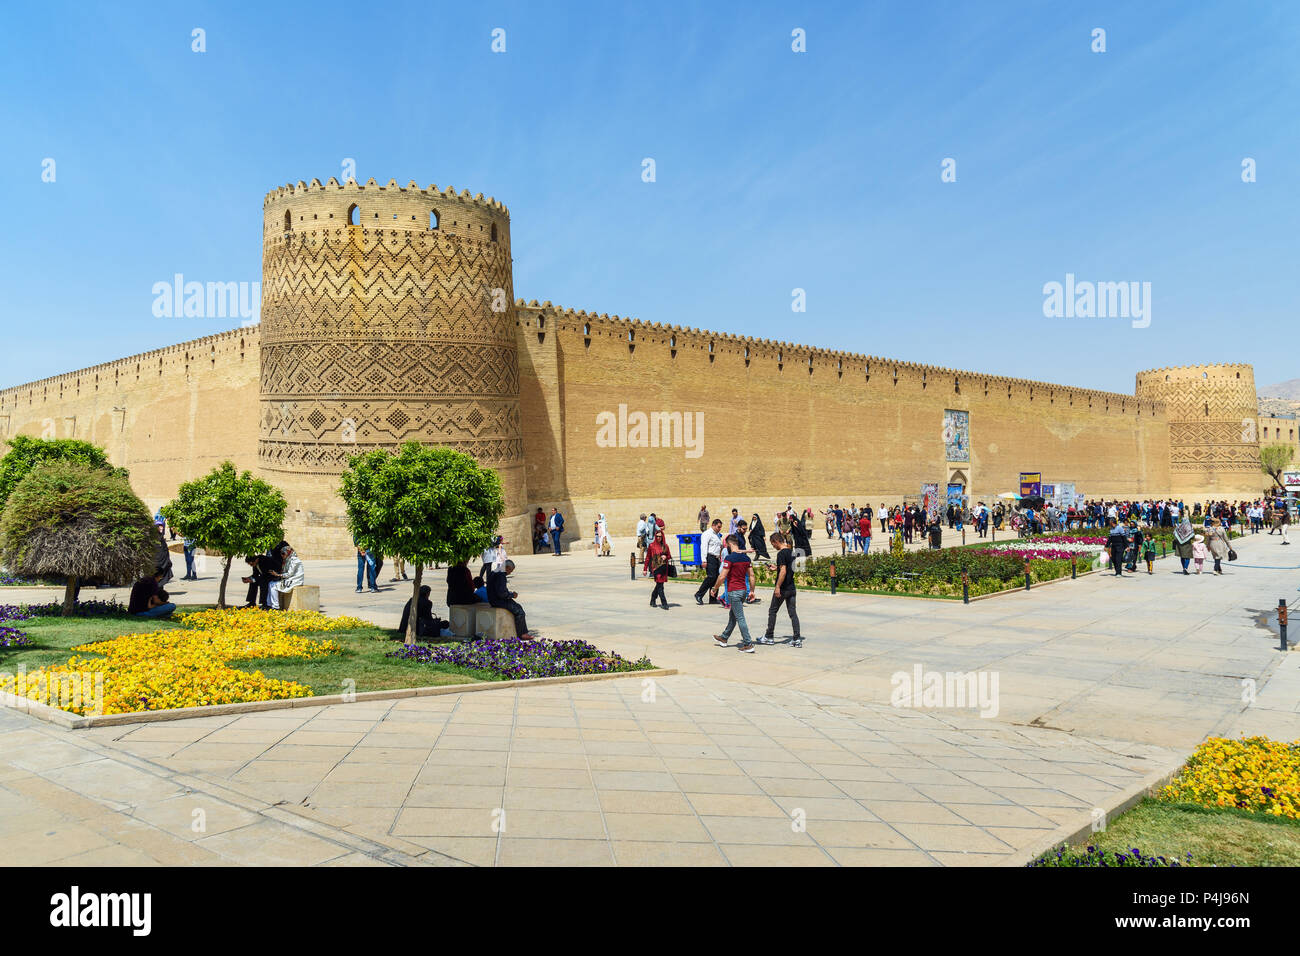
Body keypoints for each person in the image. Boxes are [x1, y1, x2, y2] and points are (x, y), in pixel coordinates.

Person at [711, 535, 755, 653]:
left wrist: (715, 589)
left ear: (728, 544)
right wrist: (751, 591)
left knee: (740, 617)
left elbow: (722, 576)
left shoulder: (730, 558)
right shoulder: (746, 559)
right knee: (733, 616)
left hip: (734, 591)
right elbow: (751, 575)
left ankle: (748, 643)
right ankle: (724, 638)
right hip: (743, 591)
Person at [763, 532, 801, 647]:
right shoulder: (792, 552)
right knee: (793, 613)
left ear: (776, 541)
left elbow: (784, 571)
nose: (773, 546)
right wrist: (776, 569)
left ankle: (769, 637)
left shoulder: (781, 554)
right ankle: (796, 639)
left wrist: (777, 587)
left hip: (783, 588)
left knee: (772, 611)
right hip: (792, 588)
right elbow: (787, 569)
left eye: (772, 544)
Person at [487, 559, 530, 639]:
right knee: (519, 611)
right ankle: (522, 634)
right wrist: (511, 595)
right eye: (510, 570)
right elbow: (502, 593)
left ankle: (522, 632)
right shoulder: (501, 575)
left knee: (517, 607)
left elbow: (499, 589)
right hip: (497, 601)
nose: (510, 573)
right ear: (507, 567)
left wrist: (509, 594)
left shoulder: (495, 571)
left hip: (492, 599)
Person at [695, 517, 724, 605]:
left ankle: (713, 598)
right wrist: (704, 560)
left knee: (716, 578)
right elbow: (703, 547)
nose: (719, 529)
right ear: (713, 525)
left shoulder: (717, 535)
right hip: (709, 557)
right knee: (711, 577)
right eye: (718, 527)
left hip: (716, 558)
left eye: (720, 527)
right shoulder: (707, 534)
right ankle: (699, 594)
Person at [646, 528, 673, 608]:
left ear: (662, 537)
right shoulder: (651, 546)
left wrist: (666, 557)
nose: (658, 538)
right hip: (655, 568)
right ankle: (664, 603)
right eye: (657, 536)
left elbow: (669, 556)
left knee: (659, 585)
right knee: (660, 586)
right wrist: (645, 569)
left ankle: (653, 599)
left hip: (664, 568)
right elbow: (647, 558)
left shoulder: (665, 546)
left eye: (660, 536)